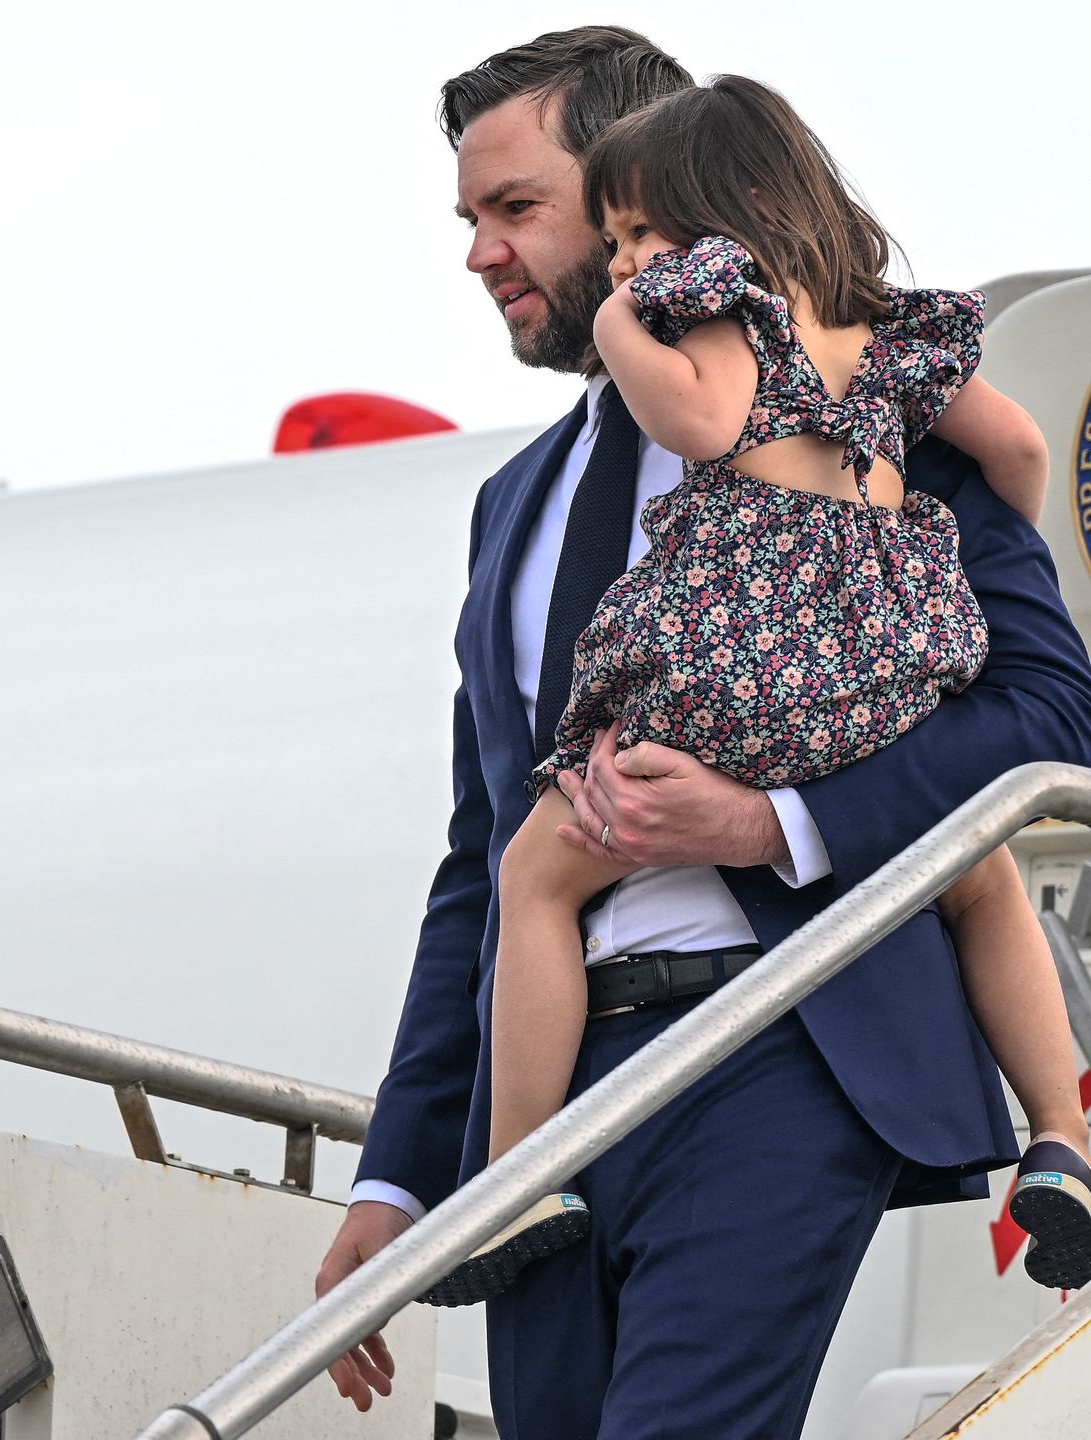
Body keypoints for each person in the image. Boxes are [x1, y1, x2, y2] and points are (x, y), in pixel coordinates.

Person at [311, 28, 1091, 1440]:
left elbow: (1047, 714)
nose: (484, 253)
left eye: (520, 208)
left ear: (651, 184)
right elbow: (482, 861)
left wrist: (773, 824)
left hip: (782, 1042)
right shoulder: (512, 506)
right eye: (470, 218)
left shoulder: (872, 405)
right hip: (550, 1107)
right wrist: (402, 1180)